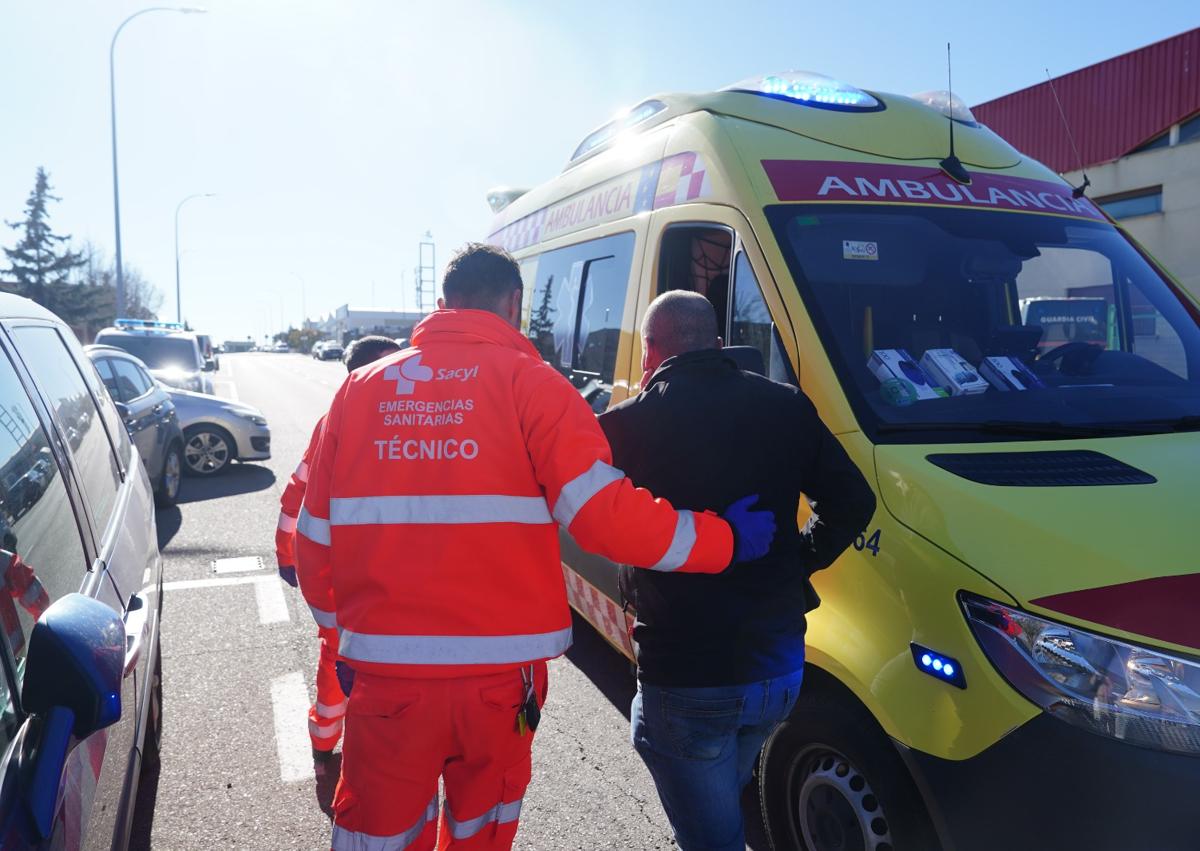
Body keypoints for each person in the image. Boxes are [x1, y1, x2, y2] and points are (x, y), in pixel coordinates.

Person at [294, 243, 776, 851]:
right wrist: (724, 539)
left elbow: (314, 543)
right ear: (515, 304)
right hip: (498, 683)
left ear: (442, 306)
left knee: (378, 837)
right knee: (479, 830)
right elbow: (606, 521)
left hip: (386, 682)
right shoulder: (534, 386)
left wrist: (345, 637)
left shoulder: (358, 392)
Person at [599, 290, 877, 851]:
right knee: (723, 783)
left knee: (709, 829)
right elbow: (853, 501)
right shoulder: (787, 406)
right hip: (778, 670)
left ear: (650, 353)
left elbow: (588, 517)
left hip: (687, 676)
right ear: (718, 344)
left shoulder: (624, 426)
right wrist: (795, 561)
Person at [274, 334, 401, 761]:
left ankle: (334, 739)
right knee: (339, 656)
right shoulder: (341, 421)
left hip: (373, 573)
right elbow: (300, 491)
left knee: (359, 661)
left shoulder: (350, 416)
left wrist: (286, 554)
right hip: (348, 575)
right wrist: (286, 552)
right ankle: (326, 741)